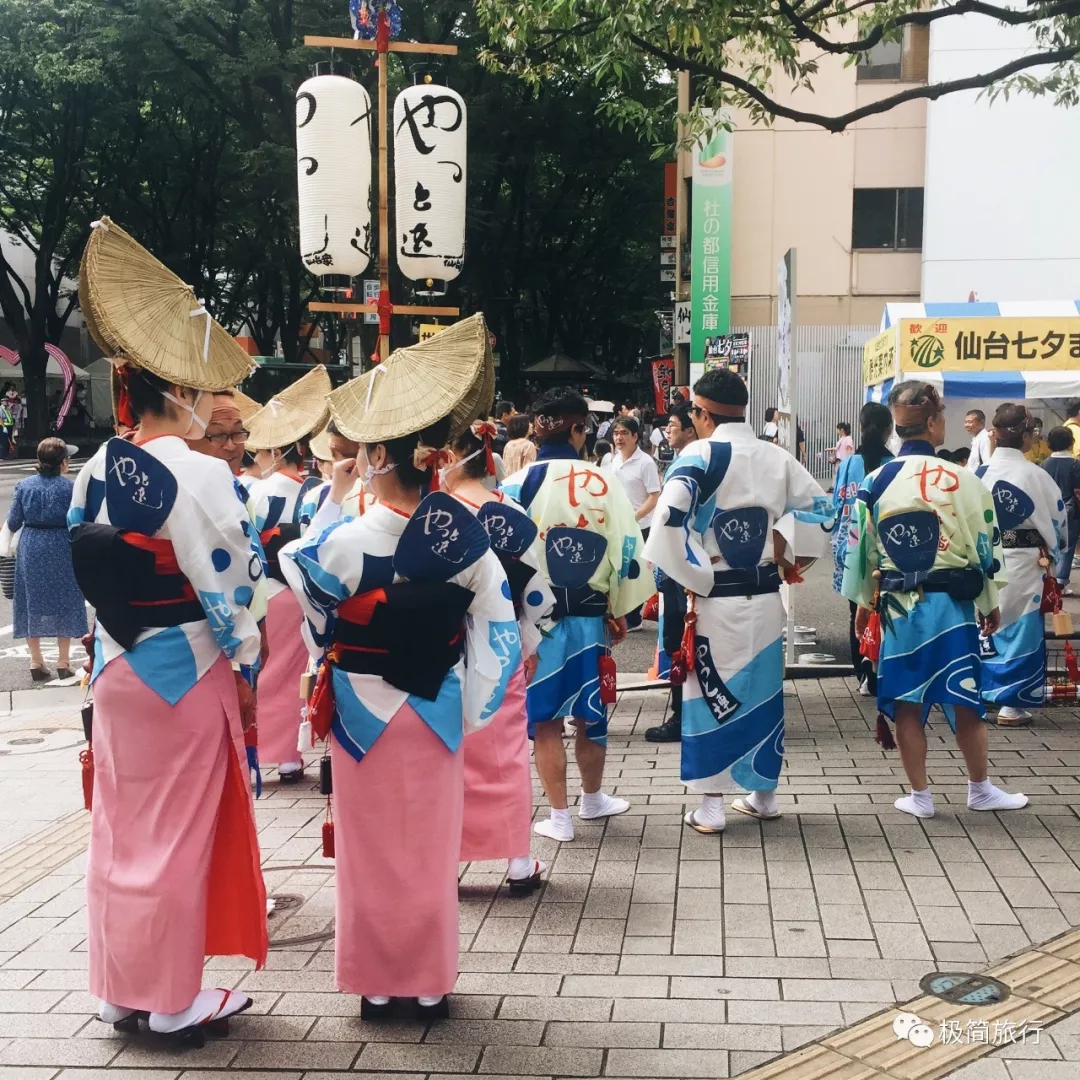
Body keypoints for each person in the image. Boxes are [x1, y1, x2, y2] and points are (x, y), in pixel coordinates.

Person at [280, 315, 515, 1020]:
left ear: (377, 459)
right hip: (437, 706)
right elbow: (500, 630)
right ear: (436, 461)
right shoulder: (469, 548)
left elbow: (311, 605)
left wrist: (334, 493)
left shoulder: (347, 539)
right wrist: (469, 705)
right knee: (428, 851)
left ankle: (377, 985)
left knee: (369, 851)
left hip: (361, 712)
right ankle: (429, 981)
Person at [68, 216, 265, 1040]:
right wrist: (249, 668)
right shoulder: (200, 472)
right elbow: (232, 586)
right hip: (183, 665)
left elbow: (91, 575)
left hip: (117, 663)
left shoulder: (92, 468)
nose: (216, 406)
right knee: (179, 834)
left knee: (120, 827)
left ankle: (120, 989)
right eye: (206, 392)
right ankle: (173, 999)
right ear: (178, 390)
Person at [645, 368, 830, 832]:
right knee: (763, 693)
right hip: (767, 596)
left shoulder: (696, 457)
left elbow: (667, 522)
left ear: (701, 414)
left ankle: (710, 806)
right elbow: (821, 511)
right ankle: (763, 794)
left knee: (709, 695)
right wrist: (791, 562)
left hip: (715, 598)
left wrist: (694, 576)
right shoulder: (776, 456)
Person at [842, 380, 1027, 819]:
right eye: (942, 415)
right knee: (965, 697)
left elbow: (859, 552)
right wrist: (989, 603)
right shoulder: (964, 479)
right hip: (953, 605)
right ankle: (979, 788)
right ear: (930, 421)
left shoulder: (875, 480)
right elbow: (986, 547)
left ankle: (921, 796)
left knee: (908, 699)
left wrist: (864, 606)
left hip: (900, 608)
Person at [502, 387, 652, 843]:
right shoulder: (603, 481)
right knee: (591, 712)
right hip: (590, 615)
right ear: (578, 429)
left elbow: (504, 556)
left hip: (536, 621)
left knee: (544, 717)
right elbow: (628, 547)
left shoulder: (516, 485)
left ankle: (560, 817)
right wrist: (619, 607)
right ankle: (592, 798)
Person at [442, 421, 555, 891]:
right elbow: (536, 588)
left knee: (449, 751)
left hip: (444, 645)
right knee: (506, 750)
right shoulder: (508, 509)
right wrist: (529, 642)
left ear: (449, 456)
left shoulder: (435, 514)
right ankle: (518, 861)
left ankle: (447, 859)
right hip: (501, 639)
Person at [244, 366, 332, 783]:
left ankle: (258, 749)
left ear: (274, 451)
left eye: (260, 452)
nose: (256, 459)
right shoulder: (312, 491)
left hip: (263, 591)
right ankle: (292, 757)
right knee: (293, 676)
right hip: (299, 593)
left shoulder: (251, 491)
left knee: (261, 674)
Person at [977, 405, 1065, 725]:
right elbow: (1058, 523)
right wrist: (1056, 548)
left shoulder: (979, 473)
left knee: (987, 624)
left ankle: (984, 693)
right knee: (1022, 627)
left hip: (986, 558)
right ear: (1025, 436)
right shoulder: (1035, 474)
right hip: (1026, 560)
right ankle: (1011, 705)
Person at [5, 438, 88, 681]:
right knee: (66, 598)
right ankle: (63, 662)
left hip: (31, 544)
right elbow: (80, 521)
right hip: (62, 544)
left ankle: (36, 660)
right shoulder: (69, 488)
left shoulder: (25, 486)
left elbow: (12, 522)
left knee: (31, 600)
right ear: (63, 462)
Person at [831, 403, 893, 697]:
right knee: (885, 609)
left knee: (857, 606)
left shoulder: (848, 464)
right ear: (889, 429)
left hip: (852, 547)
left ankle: (863, 673)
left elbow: (836, 506)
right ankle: (881, 670)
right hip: (886, 548)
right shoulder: (893, 465)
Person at [645, 403, 698, 743]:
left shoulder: (691, 464)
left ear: (693, 428)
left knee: (680, 641)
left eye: (674, 425)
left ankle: (682, 717)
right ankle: (686, 713)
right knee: (680, 640)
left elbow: (670, 519)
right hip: (680, 568)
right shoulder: (686, 461)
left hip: (682, 569)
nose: (668, 430)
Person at [609, 416, 661, 631]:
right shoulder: (614, 460)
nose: (619, 437)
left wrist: (635, 516)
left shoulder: (646, 462)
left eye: (623, 433)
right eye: (616, 433)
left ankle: (634, 618)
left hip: (641, 525)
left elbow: (654, 495)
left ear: (635, 436)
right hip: (618, 524)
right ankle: (623, 613)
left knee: (636, 571)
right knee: (619, 569)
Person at [1043, 426, 1080, 592]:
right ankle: (1060, 580)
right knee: (1068, 545)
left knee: (1051, 544)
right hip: (1071, 512)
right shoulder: (1075, 464)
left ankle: (1049, 578)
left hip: (1048, 510)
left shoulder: (1044, 464)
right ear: (1071, 442)